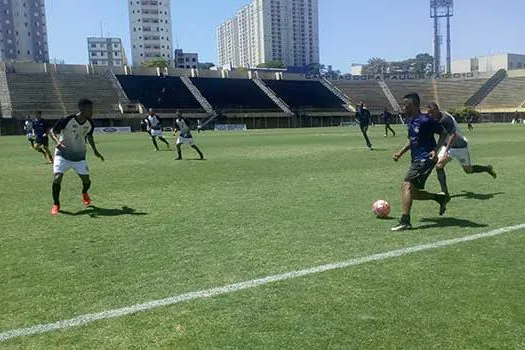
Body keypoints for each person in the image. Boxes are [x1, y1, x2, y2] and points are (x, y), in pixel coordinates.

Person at [391, 93, 450, 232]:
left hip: (425, 159)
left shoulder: (426, 120)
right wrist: (400, 153)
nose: (403, 107)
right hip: (416, 159)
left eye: (405, 105)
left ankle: (405, 221)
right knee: (413, 193)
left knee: (406, 186)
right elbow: (412, 141)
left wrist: (435, 150)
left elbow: (444, 133)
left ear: (412, 105)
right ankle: (439, 198)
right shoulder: (411, 121)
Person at [427, 103, 497, 196]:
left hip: (461, 147)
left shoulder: (446, 119)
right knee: (439, 166)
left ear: (437, 110)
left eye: (431, 112)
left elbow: (453, 135)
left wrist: (446, 151)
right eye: (428, 113)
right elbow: (442, 136)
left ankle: (487, 168)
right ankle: (445, 192)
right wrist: (436, 151)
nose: (430, 115)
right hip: (447, 145)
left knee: (468, 170)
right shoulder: (435, 119)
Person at [49, 99, 104, 216]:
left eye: (92, 109)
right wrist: (57, 143)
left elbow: (89, 136)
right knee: (57, 178)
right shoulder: (68, 119)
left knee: (86, 181)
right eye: (89, 109)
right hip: (62, 154)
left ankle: (84, 192)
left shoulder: (90, 123)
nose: (92, 111)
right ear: (81, 108)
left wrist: (95, 151)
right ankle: (56, 204)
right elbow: (52, 131)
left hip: (79, 157)